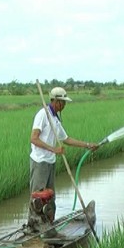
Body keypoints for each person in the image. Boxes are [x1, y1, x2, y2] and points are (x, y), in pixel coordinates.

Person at [27, 86, 98, 234]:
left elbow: (66, 139)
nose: (64, 105)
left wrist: (87, 145)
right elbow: (33, 138)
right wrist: (54, 150)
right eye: (63, 102)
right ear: (56, 101)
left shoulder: (55, 119)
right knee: (38, 198)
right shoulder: (43, 115)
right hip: (40, 161)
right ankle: (33, 228)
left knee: (50, 196)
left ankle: (49, 226)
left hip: (50, 162)